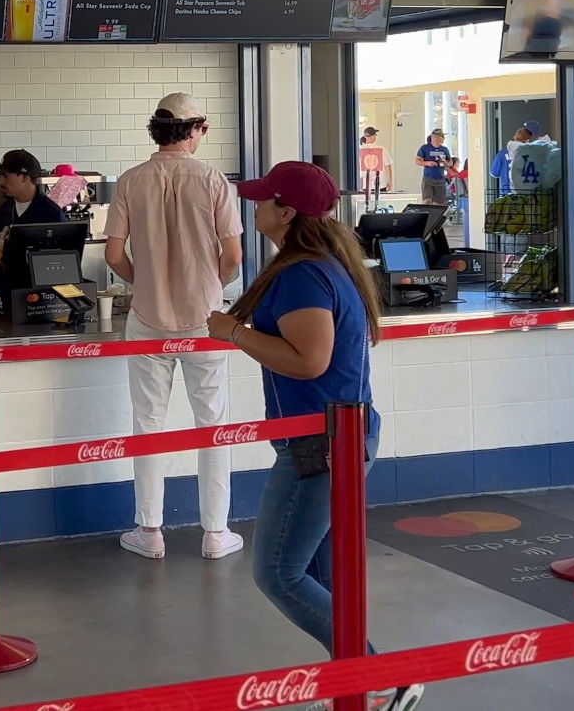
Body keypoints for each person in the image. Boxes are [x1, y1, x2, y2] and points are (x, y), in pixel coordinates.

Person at [203, 161, 422, 711]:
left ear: (286, 211)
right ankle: (356, 687)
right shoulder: (317, 264)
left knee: (278, 572)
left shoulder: (303, 273)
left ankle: (381, 678)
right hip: (337, 436)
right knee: (322, 573)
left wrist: (234, 332)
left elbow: (309, 361)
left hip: (321, 443)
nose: (254, 208)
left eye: (262, 200)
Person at [106, 93, 246, 559]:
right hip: (204, 321)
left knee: (148, 424)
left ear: (157, 130)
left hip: (146, 321)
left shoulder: (130, 181)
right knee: (213, 424)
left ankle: (149, 533)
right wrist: (209, 284)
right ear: (195, 130)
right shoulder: (212, 181)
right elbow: (233, 258)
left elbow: (112, 257)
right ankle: (215, 533)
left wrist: (143, 281)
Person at [0, 149, 65, 267]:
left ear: (25, 177)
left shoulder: (51, 213)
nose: (0, 182)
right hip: (3, 284)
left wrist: (7, 258)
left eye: (5, 176)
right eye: (0, 176)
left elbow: (57, 260)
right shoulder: (0, 212)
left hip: (35, 285)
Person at [490, 126, 532, 196]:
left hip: (506, 195)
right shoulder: (530, 154)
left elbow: (494, 173)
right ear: (527, 141)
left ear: (514, 137)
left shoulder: (502, 154)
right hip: (525, 194)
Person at [416, 129, 452, 206]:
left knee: (439, 203)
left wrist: (446, 163)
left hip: (440, 178)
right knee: (427, 200)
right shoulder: (425, 148)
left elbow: (450, 162)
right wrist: (427, 163)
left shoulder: (444, 149)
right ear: (434, 137)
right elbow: (417, 161)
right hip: (428, 178)